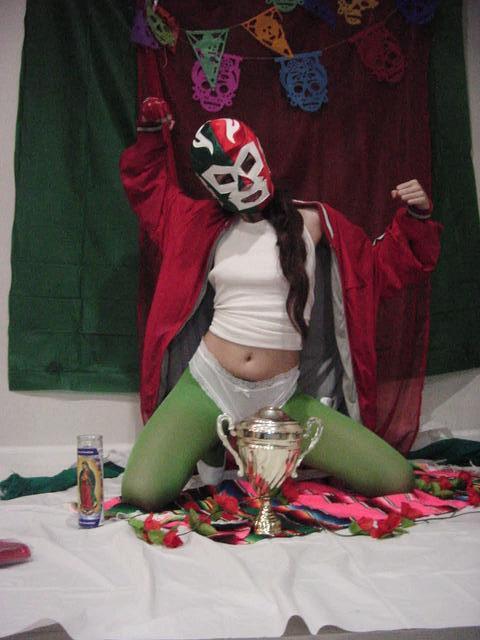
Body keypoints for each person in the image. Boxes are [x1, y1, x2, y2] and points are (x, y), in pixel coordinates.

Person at [119, 97, 441, 511]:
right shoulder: (198, 224)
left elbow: (378, 270)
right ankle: (212, 439)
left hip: (282, 396)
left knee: (395, 478)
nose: (244, 180)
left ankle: (237, 443)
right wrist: (151, 135)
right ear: (212, 188)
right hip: (209, 383)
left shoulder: (314, 222)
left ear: (261, 156)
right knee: (142, 492)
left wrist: (417, 217)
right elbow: (149, 192)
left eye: (247, 164)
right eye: (227, 178)